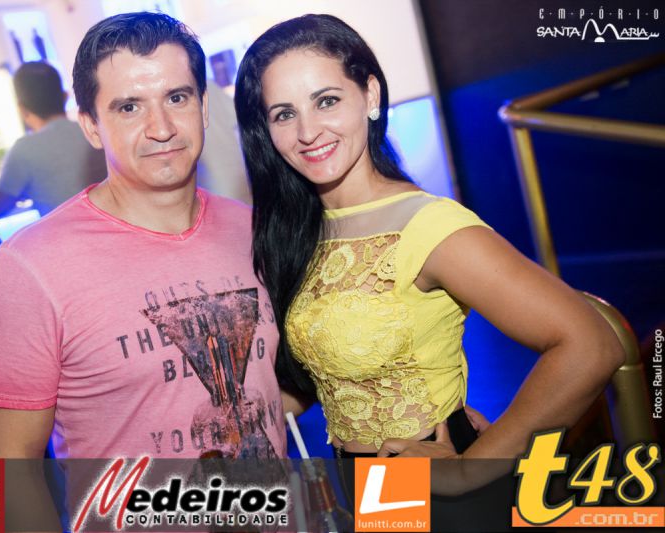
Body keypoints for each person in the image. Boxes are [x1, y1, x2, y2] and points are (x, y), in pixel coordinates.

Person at [234, 14, 624, 460]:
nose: (307, 132)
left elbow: (591, 344)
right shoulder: (298, 230)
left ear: (370, 95)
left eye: (326, 101)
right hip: (361, 479)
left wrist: (475, 467)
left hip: (423, 479)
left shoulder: (428, 226)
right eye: (284, 114)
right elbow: (327, 374)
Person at [0, 13, 286, 461]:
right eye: (129, 108)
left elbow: (273, 389)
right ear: (91, 126)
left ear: (203, 107)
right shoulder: (32, 265)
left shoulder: (251, 229)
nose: (162, 127)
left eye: (176, 97)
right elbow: (10, 464)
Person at [0, 61, 107, 218]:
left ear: (22, 109)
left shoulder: (25, 150)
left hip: (65, 233)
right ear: (65, 96)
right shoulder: (96, 131)